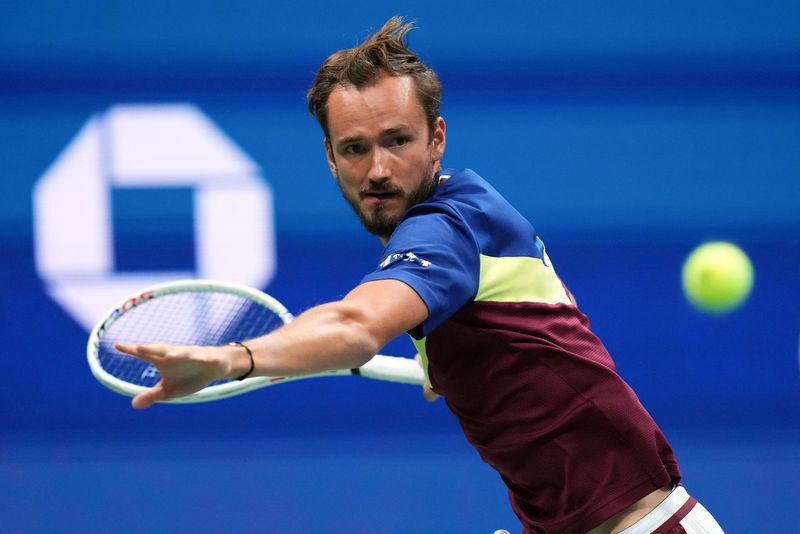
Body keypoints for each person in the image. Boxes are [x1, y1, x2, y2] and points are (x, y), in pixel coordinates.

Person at [116, 17, 724, 534]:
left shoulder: (449, 228)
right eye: (354, 149)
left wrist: (229, 359)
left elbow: (354, 324)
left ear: (436, 138)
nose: (378, 168)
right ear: (330, 157)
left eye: (397, 140)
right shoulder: (472, 217)